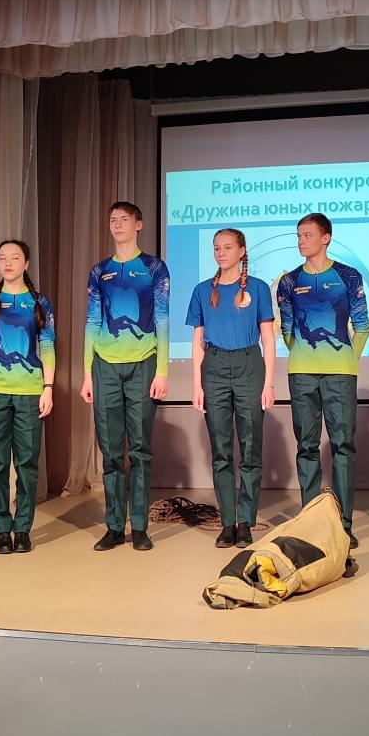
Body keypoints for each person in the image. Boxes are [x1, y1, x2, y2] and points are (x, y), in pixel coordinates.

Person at [276, 213, 369, 548]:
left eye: (307, 235)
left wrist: (346, 358)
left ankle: (343, 524)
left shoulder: (348, 275)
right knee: (307, 446)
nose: (301, 241)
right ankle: (311, 522)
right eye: (298, 236)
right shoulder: (288, 281)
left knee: (343, 446)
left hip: (340, 373)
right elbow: (287, 330)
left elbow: (362, 326)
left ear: (325, 237)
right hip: (301, 372)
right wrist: (304, 354)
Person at [81, 201, 169, 551]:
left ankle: (140, 527)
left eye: (124, 219)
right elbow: (92, 322)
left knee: (141, 450)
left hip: (143, 363)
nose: (117, 225)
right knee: (111, 451)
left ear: (139, 225)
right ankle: (115, 526)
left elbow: (162, 319)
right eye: (112, 220)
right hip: (104, 365)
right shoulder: (98, 271)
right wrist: (87, 373)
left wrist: (162, 371)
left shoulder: (154, 268)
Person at [187, 228, 276, 548]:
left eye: (227, 247)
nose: (220, 253)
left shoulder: (258, 288)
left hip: (249, 364)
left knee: (250, 448)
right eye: (216, 248)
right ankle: (227, 522)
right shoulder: (202, 291)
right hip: (214, 367)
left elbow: (268, 339)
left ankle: (245, 522)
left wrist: (269, 383)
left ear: (241, 251)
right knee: (221, 450)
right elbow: (198, 341)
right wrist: (196, 384)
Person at [0, 240, 55, 554]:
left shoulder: (40, 303)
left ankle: (22, 529)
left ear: (26, 264)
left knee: (27, 464)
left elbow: (48, 346)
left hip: (30, 392)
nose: (8, 262)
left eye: (15, 257)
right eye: (2, 258)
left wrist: (48, 388)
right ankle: (2, 530)